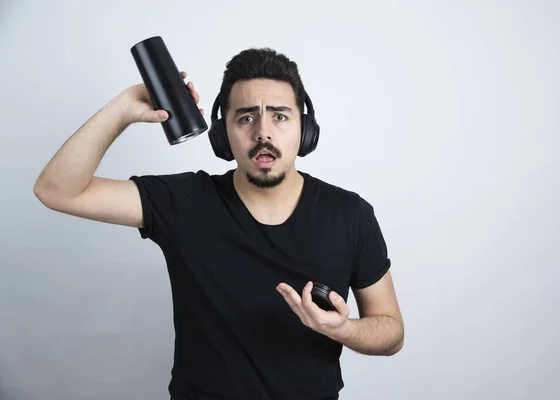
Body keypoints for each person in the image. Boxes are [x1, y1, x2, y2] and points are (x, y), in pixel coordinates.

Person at [33, 47, 404, 400]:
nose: (263, 133)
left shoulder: (350, 214)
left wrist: (344, 330)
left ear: (305, 130)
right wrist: (121, 110)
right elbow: (57, 190)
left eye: (279, 116)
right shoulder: (184, 201)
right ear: (221, 133)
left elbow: (391, 331)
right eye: (245, 117)